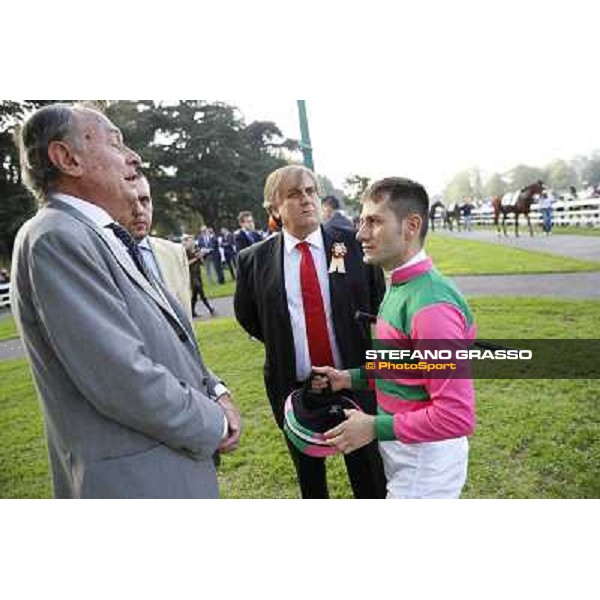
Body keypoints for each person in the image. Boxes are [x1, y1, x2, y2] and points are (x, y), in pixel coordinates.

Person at [10, 103, 241, 498]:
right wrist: (214, 423)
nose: (133, 157)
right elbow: (120, 376)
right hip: (138, 480)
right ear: (67, 158)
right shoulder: (57, 237)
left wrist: (214, 388)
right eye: (116, 143)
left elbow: (171, 339)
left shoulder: (101, 235)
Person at [313, 177, 476, 499]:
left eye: (373, 221)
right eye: (362, 221)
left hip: (424, 465)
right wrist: (349, 379)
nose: (360, 233)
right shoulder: (400, 284)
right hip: (408, 456)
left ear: (411, 225)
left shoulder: (431, 307)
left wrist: (373, 426)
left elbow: (456, 416)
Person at [234, 165, 387, 499]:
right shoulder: (253, 261)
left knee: (371, 480)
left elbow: (377, 301)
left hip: (353, 382)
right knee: (311, 485)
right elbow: (249, 317)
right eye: (293, 194)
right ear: (274, 208)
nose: (305, 200)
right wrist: (288, 342)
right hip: (294, 388)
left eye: (310, 191)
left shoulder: (354, 246)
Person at [126, 173, 192, 320]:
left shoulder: (175, 252)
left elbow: (186, 316)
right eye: (129, 202)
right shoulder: (102, 255)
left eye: (144, 200)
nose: (139, 210)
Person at [184, 236, 216, 317]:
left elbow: (202, 263)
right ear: (187, 242)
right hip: (192, 275)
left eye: (193, 240)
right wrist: (195, 258)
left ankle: (192, 312)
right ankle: (210, 309)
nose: (192, 242)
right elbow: (186, 264)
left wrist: (201, 256)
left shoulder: (197, 249)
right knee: (201, 293)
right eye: (190, 241)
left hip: (198, 274)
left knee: (194, 296)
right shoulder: (186, 251)